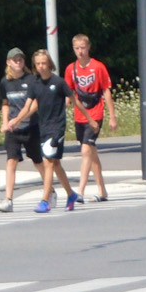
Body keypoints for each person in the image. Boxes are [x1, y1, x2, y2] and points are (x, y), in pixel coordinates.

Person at [64, 32, 113, 204]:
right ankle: (102, 190)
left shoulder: (98, 67)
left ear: (88, 47)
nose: (80, 51)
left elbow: (106, 90)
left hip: (96, 113)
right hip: (80, 114)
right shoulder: (71, 69)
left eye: (83, 48)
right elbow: (69, 93)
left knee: (85, 150)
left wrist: (112, 116)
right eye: (77, 48)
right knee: (91, 153)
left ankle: (80, 192)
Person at [27, 48, 71, 212]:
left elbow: (73, 99)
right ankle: (71, 193)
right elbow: (31, 106)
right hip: (43, 127)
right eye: (38, 64)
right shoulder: (35, 84)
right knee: (56, 164)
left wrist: (89, 119)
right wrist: (16, 120)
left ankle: (45, 200)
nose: (41, 66)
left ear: (49, 63)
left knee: (48, 162)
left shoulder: (58, 82)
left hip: (57, 128)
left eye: (44, 63)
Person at [0, 48, 38, 213]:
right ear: (9, 63)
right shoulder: (5, 82)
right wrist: (5, 122)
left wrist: (19, 119)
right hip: (13, 129)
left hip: (31, 126)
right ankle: (8, 199)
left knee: (38, 161)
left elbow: (35, 104)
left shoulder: (31, 80)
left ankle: (49, 191)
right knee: (11, 161)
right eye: (15, 60)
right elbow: (5, 104)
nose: (18, 62)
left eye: (20, 59)